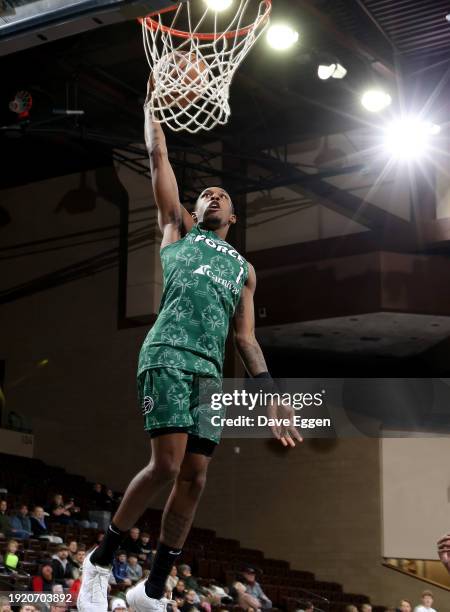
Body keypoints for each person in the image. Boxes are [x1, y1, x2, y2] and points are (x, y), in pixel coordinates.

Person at [78, 77, 301, 612]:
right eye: (206, 193)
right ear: (196, 209)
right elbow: (158, 157)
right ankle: (99, 562)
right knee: (167, 466)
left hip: (209, 372)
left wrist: (270, 394)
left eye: (221, 194)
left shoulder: (244, 269)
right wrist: (152, 102)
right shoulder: (177, 229)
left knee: (195, 478)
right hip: (167, 355)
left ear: (234, 215)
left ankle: (151, 590)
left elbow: (245, 338)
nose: (213, 195)